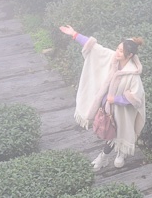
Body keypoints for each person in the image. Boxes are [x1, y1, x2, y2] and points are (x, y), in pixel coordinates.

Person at [59, 24, 145, 170]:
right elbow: (95, 48)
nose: (117, 52)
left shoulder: (132, 74)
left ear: (129, 55)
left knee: (122, 132)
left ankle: (120, 154)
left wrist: (117, 99)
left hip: (124, 111)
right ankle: (104, 157)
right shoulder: (112, 58)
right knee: (110, 132)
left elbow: (137, 97)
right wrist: (74, 34)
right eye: (117, 49)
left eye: (120, 51)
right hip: (108, 108)